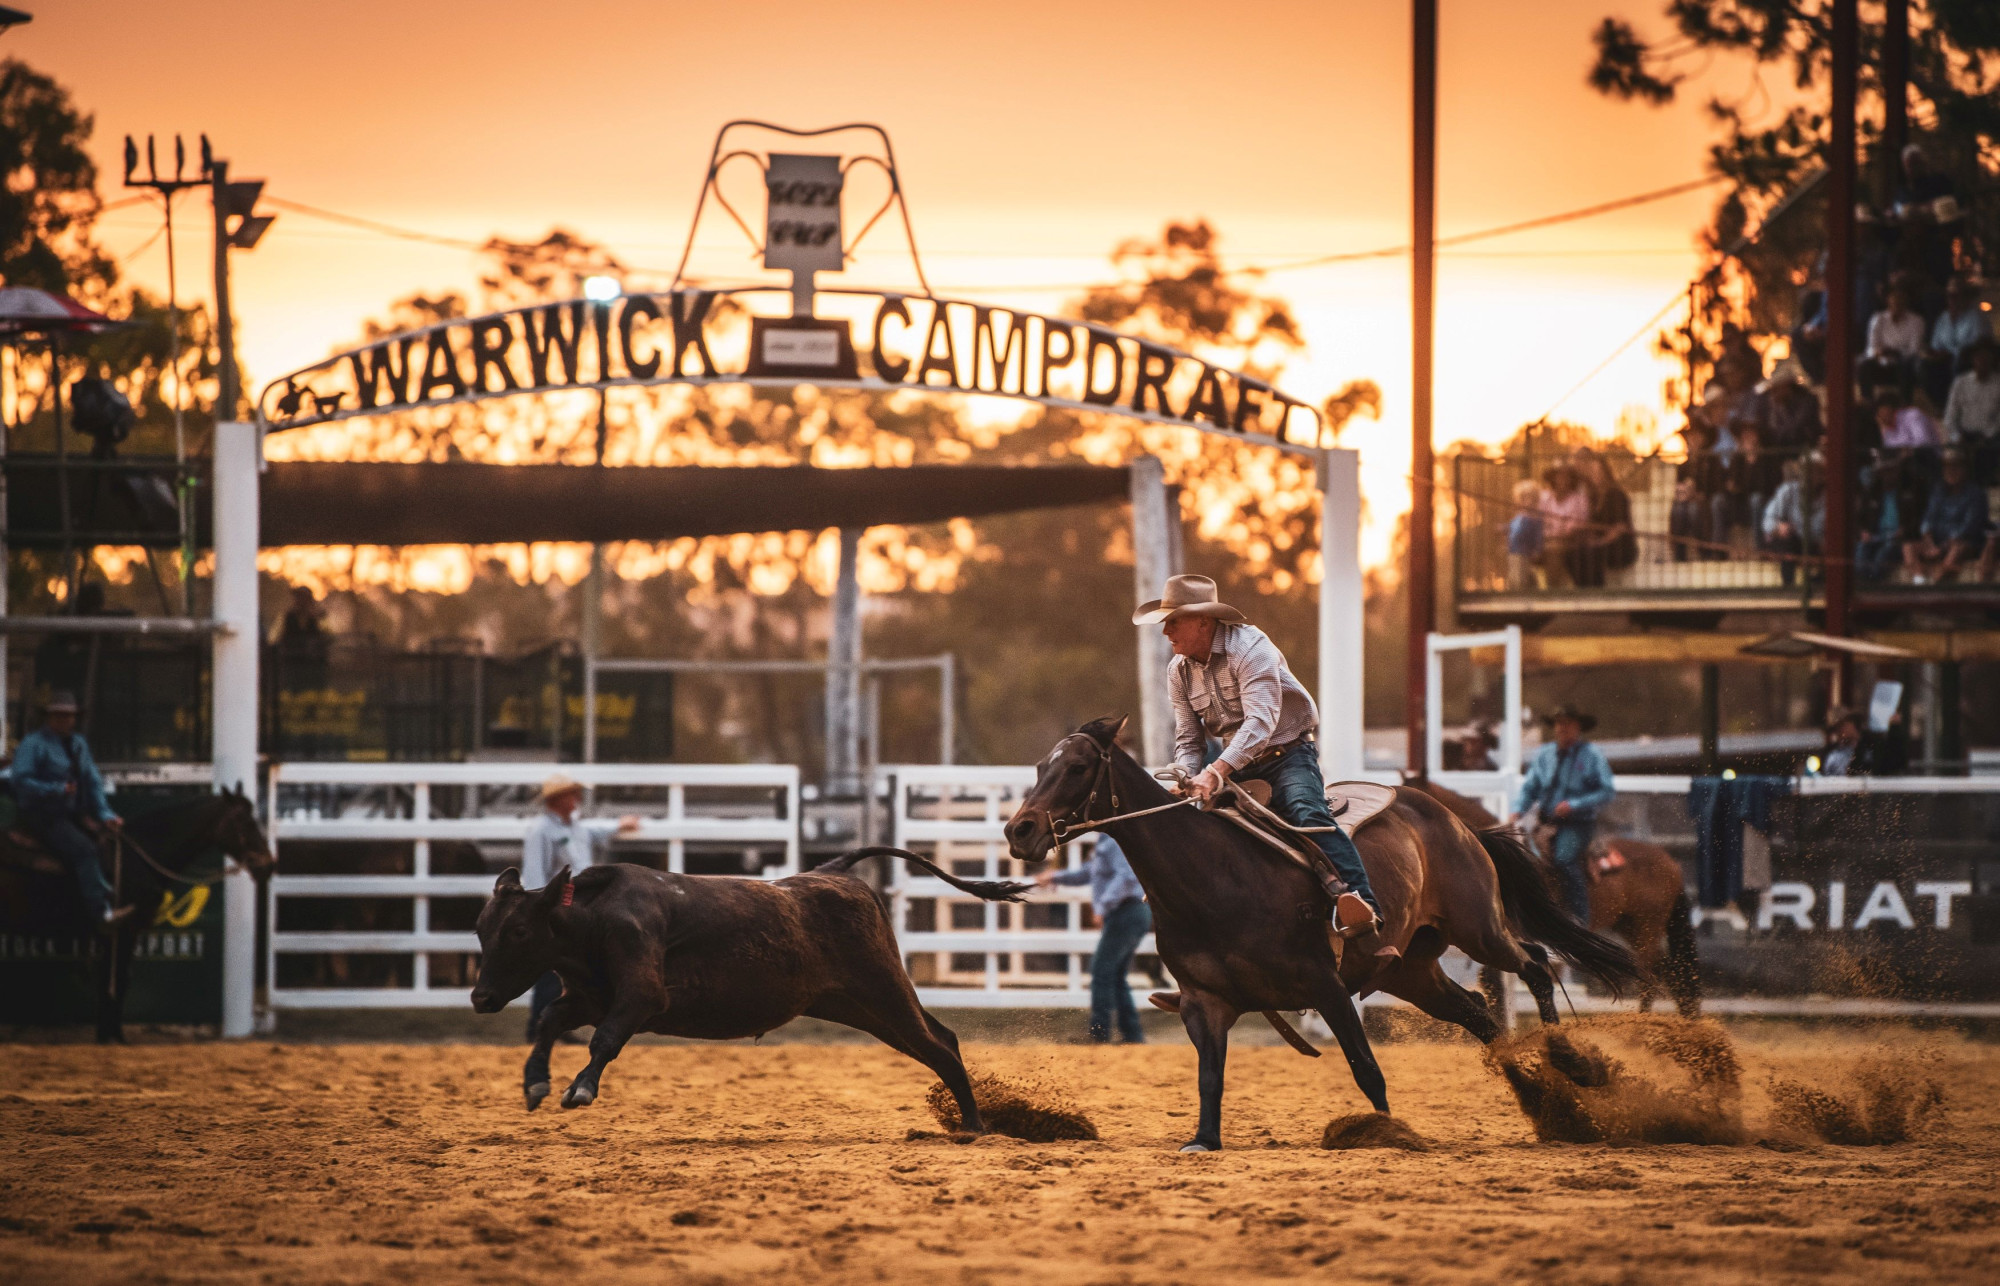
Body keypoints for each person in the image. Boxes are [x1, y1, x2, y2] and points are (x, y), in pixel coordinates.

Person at [1134, 573, 1394, 957]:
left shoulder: (1252, 648)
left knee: (1307, 813)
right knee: (1200, 837)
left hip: (1287, 755)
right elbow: (1189, 741)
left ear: (1203, 621)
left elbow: (1260, 723)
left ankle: (1364, 910)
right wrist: (1187, 777)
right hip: (1235, 766)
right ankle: (1205, 965)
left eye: (1174, 621)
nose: (1165, 630)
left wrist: (1215, 772)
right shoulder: (1179, 671)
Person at [518, 773, 639, 1040]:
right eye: (572, 794)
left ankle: (551, 1025)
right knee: (554, 967)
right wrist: (543, 908)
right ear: (559, 799)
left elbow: (594, 831)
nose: (577, 799)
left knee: (565, 967)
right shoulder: (541, 831)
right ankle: (542, 1026)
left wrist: (618, 825)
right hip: (559, 905)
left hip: (573, 905)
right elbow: (536, 874)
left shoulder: (571, 826)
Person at [9, 692, 132, 931]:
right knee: (84, 851)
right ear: (49, 717)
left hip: (73, 814)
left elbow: (92, 781)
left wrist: (105, 815)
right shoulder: (33, 743)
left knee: (106, 845)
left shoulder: (79, 743)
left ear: (75, 718)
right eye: (58, 715)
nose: (64, 720)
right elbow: (20, 780)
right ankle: (100, 913)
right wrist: (55, 789)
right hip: (41, 814)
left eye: (68, 716)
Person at [1035, 833, 1149, 1043]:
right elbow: (1090, 873)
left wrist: (1103, 906)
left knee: (1102, 971)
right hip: (1129, 911)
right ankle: (1131, 1035)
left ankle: (1100, 1034)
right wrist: (1056, 877)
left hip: (1125, 911)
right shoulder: (1109, 839)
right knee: (1115, 975)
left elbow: (1126, 876)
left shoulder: (1113, 840)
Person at [1513, 705, 1614, 924]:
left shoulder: (1591, 755)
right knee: (1522, 856)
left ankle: (1579, 920)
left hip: (1577, 823)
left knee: (1564, 859)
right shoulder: (1545, 754)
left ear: (1578, 727)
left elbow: (1606, 791)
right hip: (1546, 821)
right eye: (1558, 723)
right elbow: (1531, 786)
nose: (1561, 728)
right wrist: (1517, 809)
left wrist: (1575, 804)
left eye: (1567, 723)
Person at [1904, 448, 1993, 584]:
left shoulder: (1976, 494)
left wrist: (1946, 544)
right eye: (1947, 467)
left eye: (1955, 466)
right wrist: (1928, 539)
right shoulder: (1939, 490)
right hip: (1937, 540)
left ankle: (1938, 586)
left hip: (1963, 542)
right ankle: (1920, 581)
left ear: (1965, 469)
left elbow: (1970, 526)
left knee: (1956, 550)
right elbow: (1929, 518)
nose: (1950, 471)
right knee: (1909, 546)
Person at [1922, 276, 1993, 405]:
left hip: (1966, 359)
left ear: (1965, 297)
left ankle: (1957, 403)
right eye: (1949, 296)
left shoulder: (1976, 317)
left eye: (1955, 296)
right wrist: (1932, 353)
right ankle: (1939, 404)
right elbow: (1935, 343)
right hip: (1944, 359)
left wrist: (1951, 353)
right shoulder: (1943, 318)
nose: (1952, 300)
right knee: (1924, 364)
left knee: (1960, 362)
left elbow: (1977, 345)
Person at [1570, 448, 1635, 588]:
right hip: (1602, 544)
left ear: (1606, 473)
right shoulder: (1594, 497)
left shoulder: (1616, 495)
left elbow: (1620, 528)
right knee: (1573, 553)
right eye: (1592, 473)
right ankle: (1584, 591)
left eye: (1598, 472)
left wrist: (1599, 542)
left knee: (1590, 553)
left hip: (1619, 547)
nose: (1595, 476)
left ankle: (1596, 591)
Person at [1761, 453, 1825, 586]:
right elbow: (1768, 520)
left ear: (1822, 475)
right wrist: (1778, 527)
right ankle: (1788, 587)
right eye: (1806, 470)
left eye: (1814, 471)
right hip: (1794, 542)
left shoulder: (1829, 496)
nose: (1809, 475)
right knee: (1787, 541)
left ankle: (1818, 583)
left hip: (1818, 543)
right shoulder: (1788, 490)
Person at [1943, 336, 2000, 485]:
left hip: (1990, 437)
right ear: (1972, 360)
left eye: (1986, 358)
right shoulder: (1960, 383)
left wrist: (1987, 435)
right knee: (1950, 455)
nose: (1982, 362)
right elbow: (1950, 415)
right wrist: (1956, 435)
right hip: (1963, 435)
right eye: (1978, 358)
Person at [1863, 275, 1925, 400]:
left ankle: (1905, 404)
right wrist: (1878, 353)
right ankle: (1868, 402)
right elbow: (1871, 347)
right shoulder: (1878, 319)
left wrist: (1896, 353)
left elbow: (1914, 350)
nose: (1897, 301)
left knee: (1907, 366)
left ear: (1906, 300)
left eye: (1901, 297)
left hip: (1902, 363)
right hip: (1882, 362)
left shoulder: (1916, 321)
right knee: (1864, 365)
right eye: (1894, 297)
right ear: (1888, 300)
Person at [1537, 464, 1591, 588]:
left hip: (1570, 541)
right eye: (1559, 476)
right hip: (1546, 540)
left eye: (1567, 477)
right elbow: (1540, 522)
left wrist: (1563, 533)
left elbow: (1580, 525)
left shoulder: (1580, 500)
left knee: (1554, 550)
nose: (1563, 481)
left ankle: (1553, 590)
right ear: (1553, 478)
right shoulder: (1545, 498)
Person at [1505, 477, 1544, 590]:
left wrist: (1538, 550)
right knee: (1514, 574)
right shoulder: (1519, 516)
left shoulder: (1535, 518)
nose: (1528, 501)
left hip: (1525, 552)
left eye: (1531, 497)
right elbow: (1512, 528)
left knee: (1522, 576)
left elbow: (1538, 535)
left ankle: (1523, 593)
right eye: (1524, 497)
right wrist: (1503, 529)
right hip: (1513, 551)